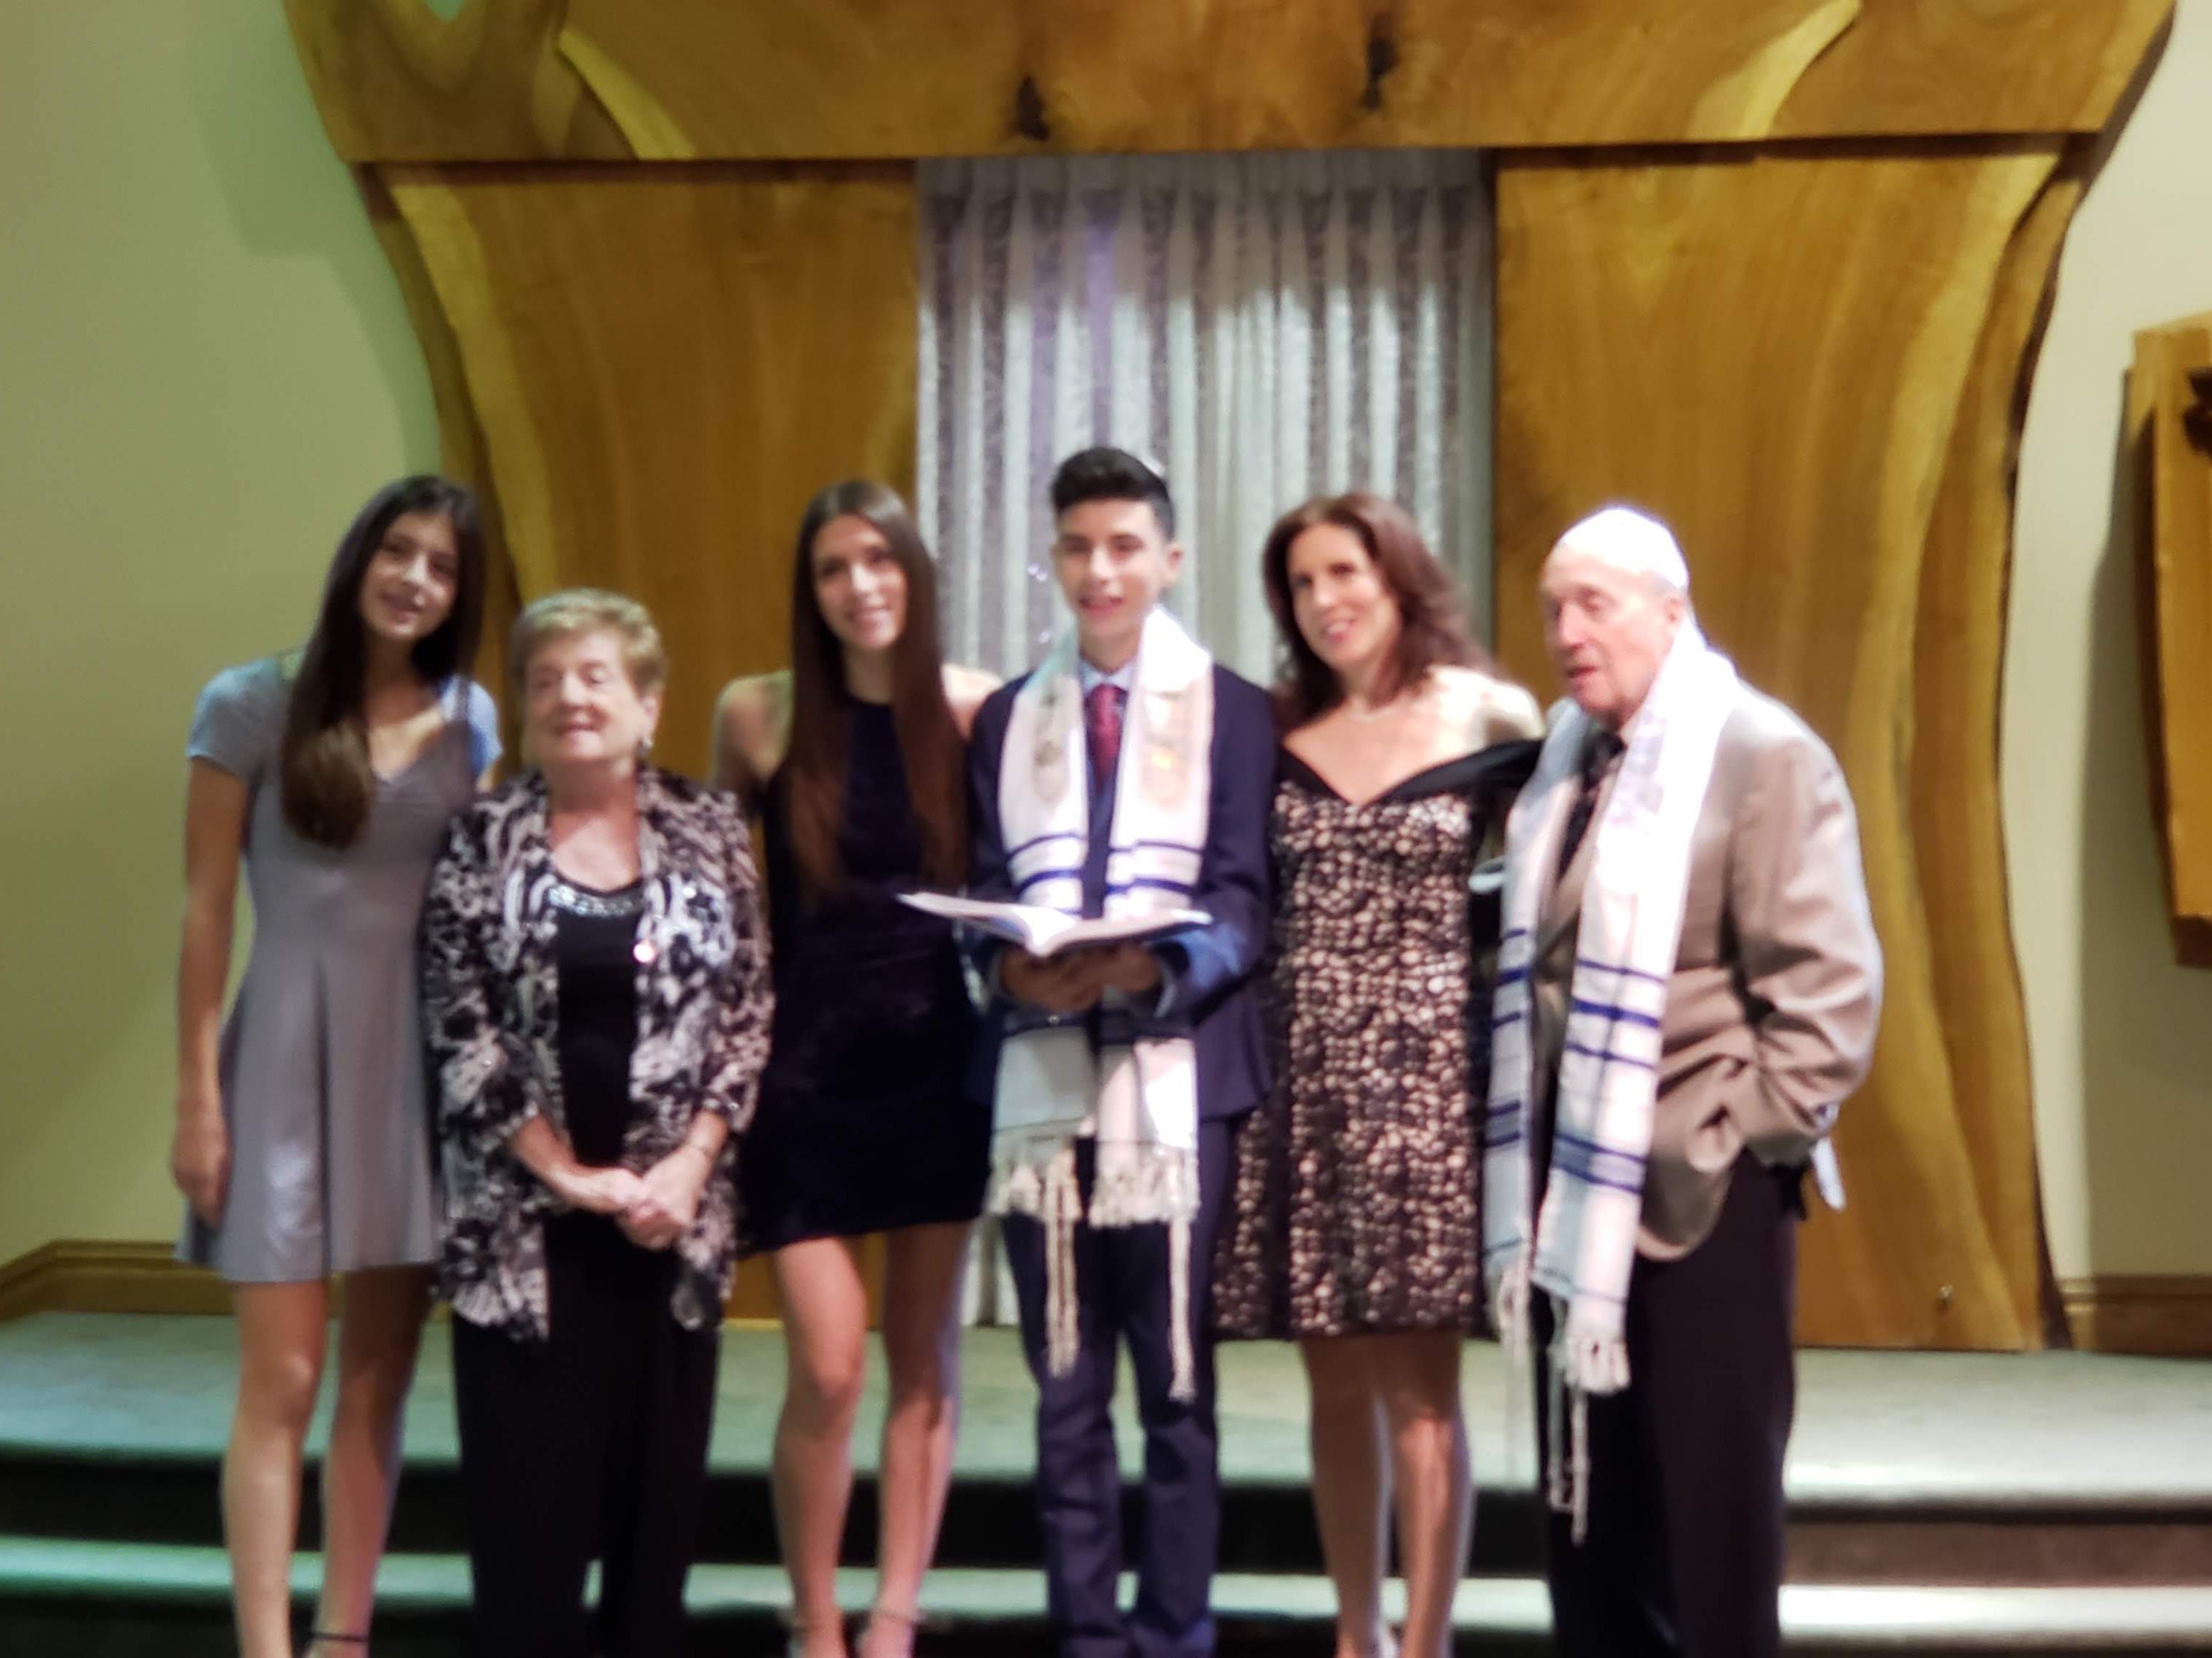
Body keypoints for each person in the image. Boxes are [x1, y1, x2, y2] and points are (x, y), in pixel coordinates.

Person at [1483, 506, 1883, 1658]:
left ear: (1672, 608)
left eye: (1594, 604)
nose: (1566, 630)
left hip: (1700, 1198)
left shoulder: (1760, 751)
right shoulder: (1565, 759)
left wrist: (1723, 1133)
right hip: (1576, 1194)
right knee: (1593, 1523)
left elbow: (1829, 1001)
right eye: (1555, 606)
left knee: (1708, 1522)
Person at [1213, 493, 1544, 1658]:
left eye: (1342, 572)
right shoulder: (1272, 730)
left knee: (1422, 1396)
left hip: (1428, 1097)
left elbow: (1548, 896)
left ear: (1395, 574)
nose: (1324, 601)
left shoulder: (1489, 711)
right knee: (1334, 1390)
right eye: (1300, 585)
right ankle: (1355, 1633)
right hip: (1302, 1086)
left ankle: (1425, 1642)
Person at [170, 474, 494, 1658]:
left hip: (415, 1074)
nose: (414, 578)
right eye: (397, 551)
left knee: (379, 1373)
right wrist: (196, 1098)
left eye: (442, 566)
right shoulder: (248, 703)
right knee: (286, 1378)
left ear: (461, 592)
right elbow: (206, 914)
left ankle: (342, 1634)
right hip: (281, 1064)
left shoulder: (475, 722)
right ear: (359, 556)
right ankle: (266, 1644)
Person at [419, 588, 773, 1658]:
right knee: (527, 1545)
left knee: (651, 1541)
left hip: (670, 1240)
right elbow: (459, 1026)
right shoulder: (481, 839)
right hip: (523, 1249)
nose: (569, 696)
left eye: (594, 675)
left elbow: (751, 1010)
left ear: (647, 704)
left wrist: (689, 1166)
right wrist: (564, 1173)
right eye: (545, 678)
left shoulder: (711, 826)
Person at [965, 447, 1273, 1658]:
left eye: (1124, 546)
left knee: (1177, 1388)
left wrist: (1160, 967)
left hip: (1174, 1090)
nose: (1100, 571)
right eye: (1078, 547)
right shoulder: (1007, 715)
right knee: (1063, 1386)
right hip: (1044, 1092)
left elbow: (1244, 894)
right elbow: (990, 883)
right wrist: (1002, 960)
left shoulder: (1233, 709)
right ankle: (1086, 1635)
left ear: (1169, 559)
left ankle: (1176, 1633)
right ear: (1051, 558)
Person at [714, 480, 999, 1658]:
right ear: (810, 591)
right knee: (827, 1368)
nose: (860, 587)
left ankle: (891, 1615)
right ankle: (813, 1618)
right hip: (802, 1079)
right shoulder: (756, 715)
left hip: (938, 1067)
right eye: (833, 569)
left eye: (879, 562)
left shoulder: (977, 709)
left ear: (915, 575)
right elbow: (721, 909)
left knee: (921, 1360)